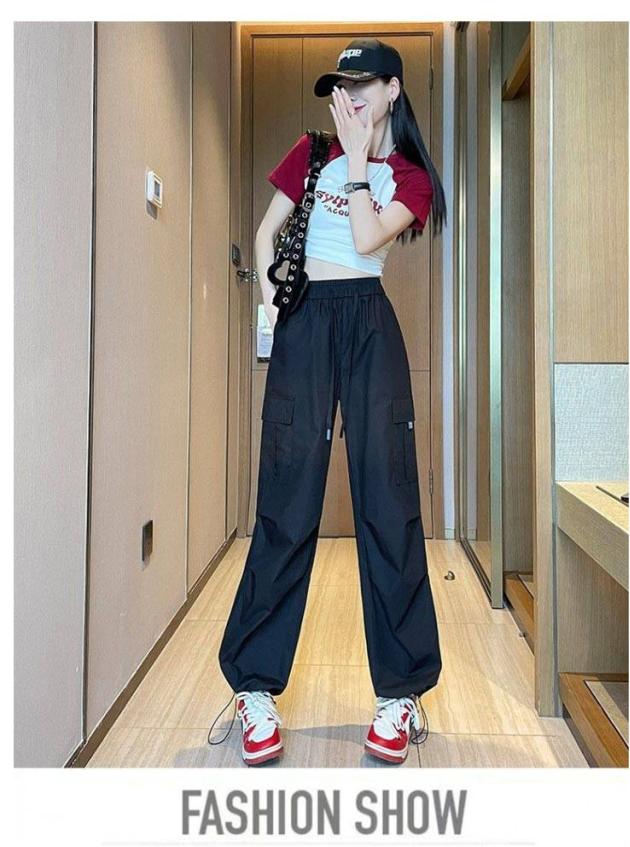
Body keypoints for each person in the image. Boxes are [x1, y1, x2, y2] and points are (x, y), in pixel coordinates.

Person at [211, 37, 445, 766]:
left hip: (370, 324)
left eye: (363, 85)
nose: (349, 98)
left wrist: (360, 162)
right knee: (285, 503)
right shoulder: (310, 154)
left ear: (393, 90)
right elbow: (265, 232)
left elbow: (369, 236)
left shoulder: (409, 176)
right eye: (341, 88)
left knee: (389, 505)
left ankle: (400, 693)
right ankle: (254, 689)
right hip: (306, 325)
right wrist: (273, 309)